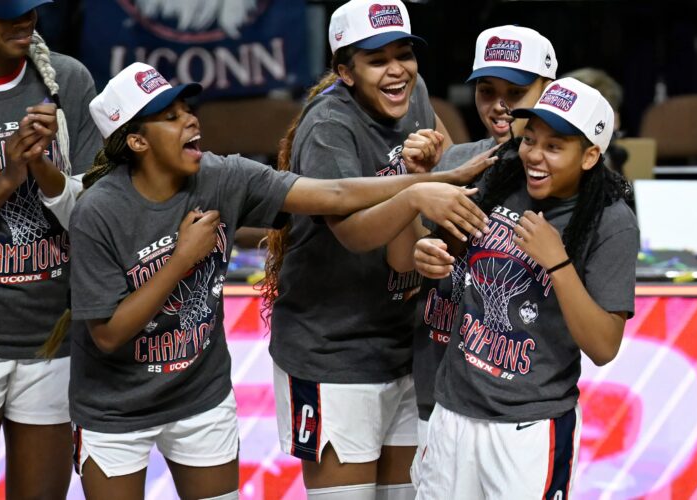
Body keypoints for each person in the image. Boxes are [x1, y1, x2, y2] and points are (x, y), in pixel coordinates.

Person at [65, 61, 490, 500]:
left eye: (187, 109)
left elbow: (336, 193)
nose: (190, 119)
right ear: (137, 141)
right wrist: (181, 260)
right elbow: (108, 334)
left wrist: (430, 181)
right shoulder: (98, 212)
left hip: (198, 397)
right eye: (170, 117)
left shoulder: (222, 175)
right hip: (115, 410)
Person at [263, 1, 486, 498]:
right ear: (345, 72)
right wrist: (414, 190)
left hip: (405, 348)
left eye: (404, 54)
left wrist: (431, 168)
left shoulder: (415, 92)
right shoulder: (328, 127)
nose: (397, 70)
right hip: (333, 352)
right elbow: (353, 233)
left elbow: (448, 169)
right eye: (377, 60)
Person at [410, 78, 639, 499]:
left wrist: (558, 263)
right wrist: (428, 251)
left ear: (590, 155)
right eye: (530, 139)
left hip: (530, 427)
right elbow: (447, 247)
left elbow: (604, 347)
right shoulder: (500, 178)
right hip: (453, 411)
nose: (534, 155)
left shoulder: (612, 221)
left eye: (554, 147)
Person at [390, 26, 557, 485]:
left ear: (548, 90)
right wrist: (415, 187)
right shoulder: (454, 161)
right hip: (438, 379)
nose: (499, 105)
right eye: (487, 91)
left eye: (516, 92)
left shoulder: (561, 181)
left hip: (518, 399)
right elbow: (406, 259)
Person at [0, 0, 102, 497]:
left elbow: (96, 211)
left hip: (51, 336)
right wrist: (9, 175)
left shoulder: (69, 80)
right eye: (9, 12)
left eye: (32, 8)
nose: (26, 20)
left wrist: (42, 168)